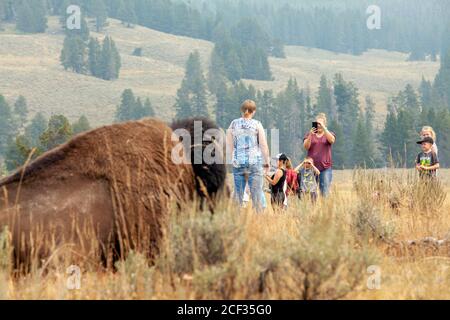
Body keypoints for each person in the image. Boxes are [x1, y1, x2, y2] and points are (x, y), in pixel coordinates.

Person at [227, 100, 270, 212]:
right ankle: (259, 219)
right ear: (253, 111)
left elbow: (230, 144)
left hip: (238, 162)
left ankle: (236, 219)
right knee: (256, 192)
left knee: (238, 193)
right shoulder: (257, 124)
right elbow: (263, 145)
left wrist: (233, 157)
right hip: (254, 162)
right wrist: (267, 162)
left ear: (242, 110)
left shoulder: (233, 124)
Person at [303, 113, 336, 197]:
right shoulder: (310, 134)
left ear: (324, 124)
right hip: (311, 168)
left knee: (324, 192)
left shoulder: (328, 134)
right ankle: (313, 209)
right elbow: (306, 146)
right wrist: (310, 135)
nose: (319, 125)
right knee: (311, 193)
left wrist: (325, 129)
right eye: (317, 123)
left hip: (325, 168)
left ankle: (324, 209)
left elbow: (332, 140)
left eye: (321, 124)